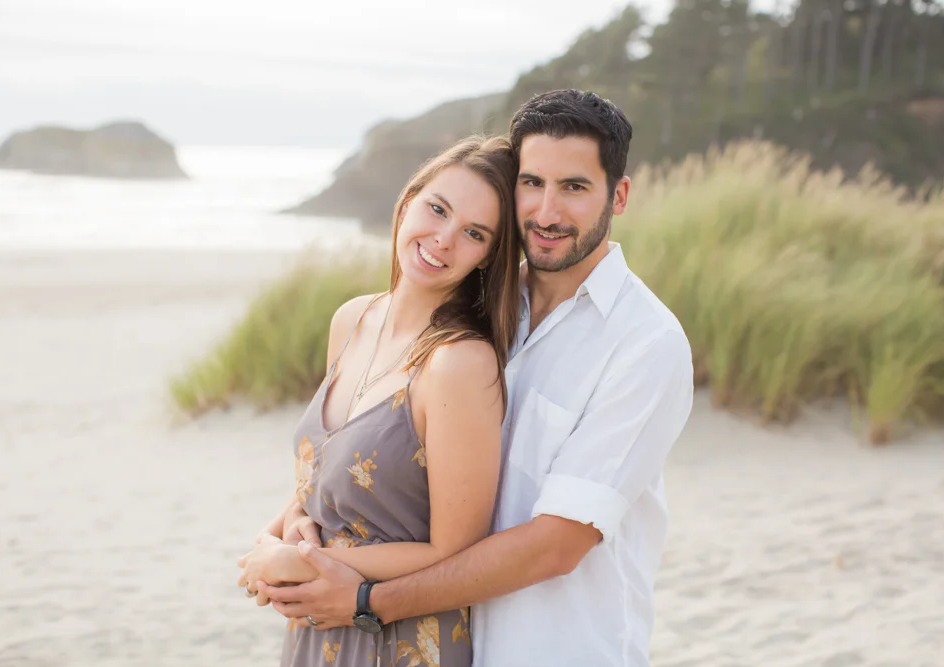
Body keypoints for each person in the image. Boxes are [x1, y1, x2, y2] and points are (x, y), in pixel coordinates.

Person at [254, 89, 695, 667]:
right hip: (453, 638)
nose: (547, 211)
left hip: (556, 649)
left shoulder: (646, 344)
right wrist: (290, 535)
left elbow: (556, 545)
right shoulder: (478, 311)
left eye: (576, 187)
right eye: (532, 183)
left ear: (620, 195)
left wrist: (366, 599)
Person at [237, 135, 523, 666]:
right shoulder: (351, 319)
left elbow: (453, 550)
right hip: (317, 626)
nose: (442, 239)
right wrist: (280, 533)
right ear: (407, 200)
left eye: (474, 233)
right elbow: (329, 474)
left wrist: (304, 561)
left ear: (488, 257)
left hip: (398, 637)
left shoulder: (459, 362)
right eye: (437, 209)